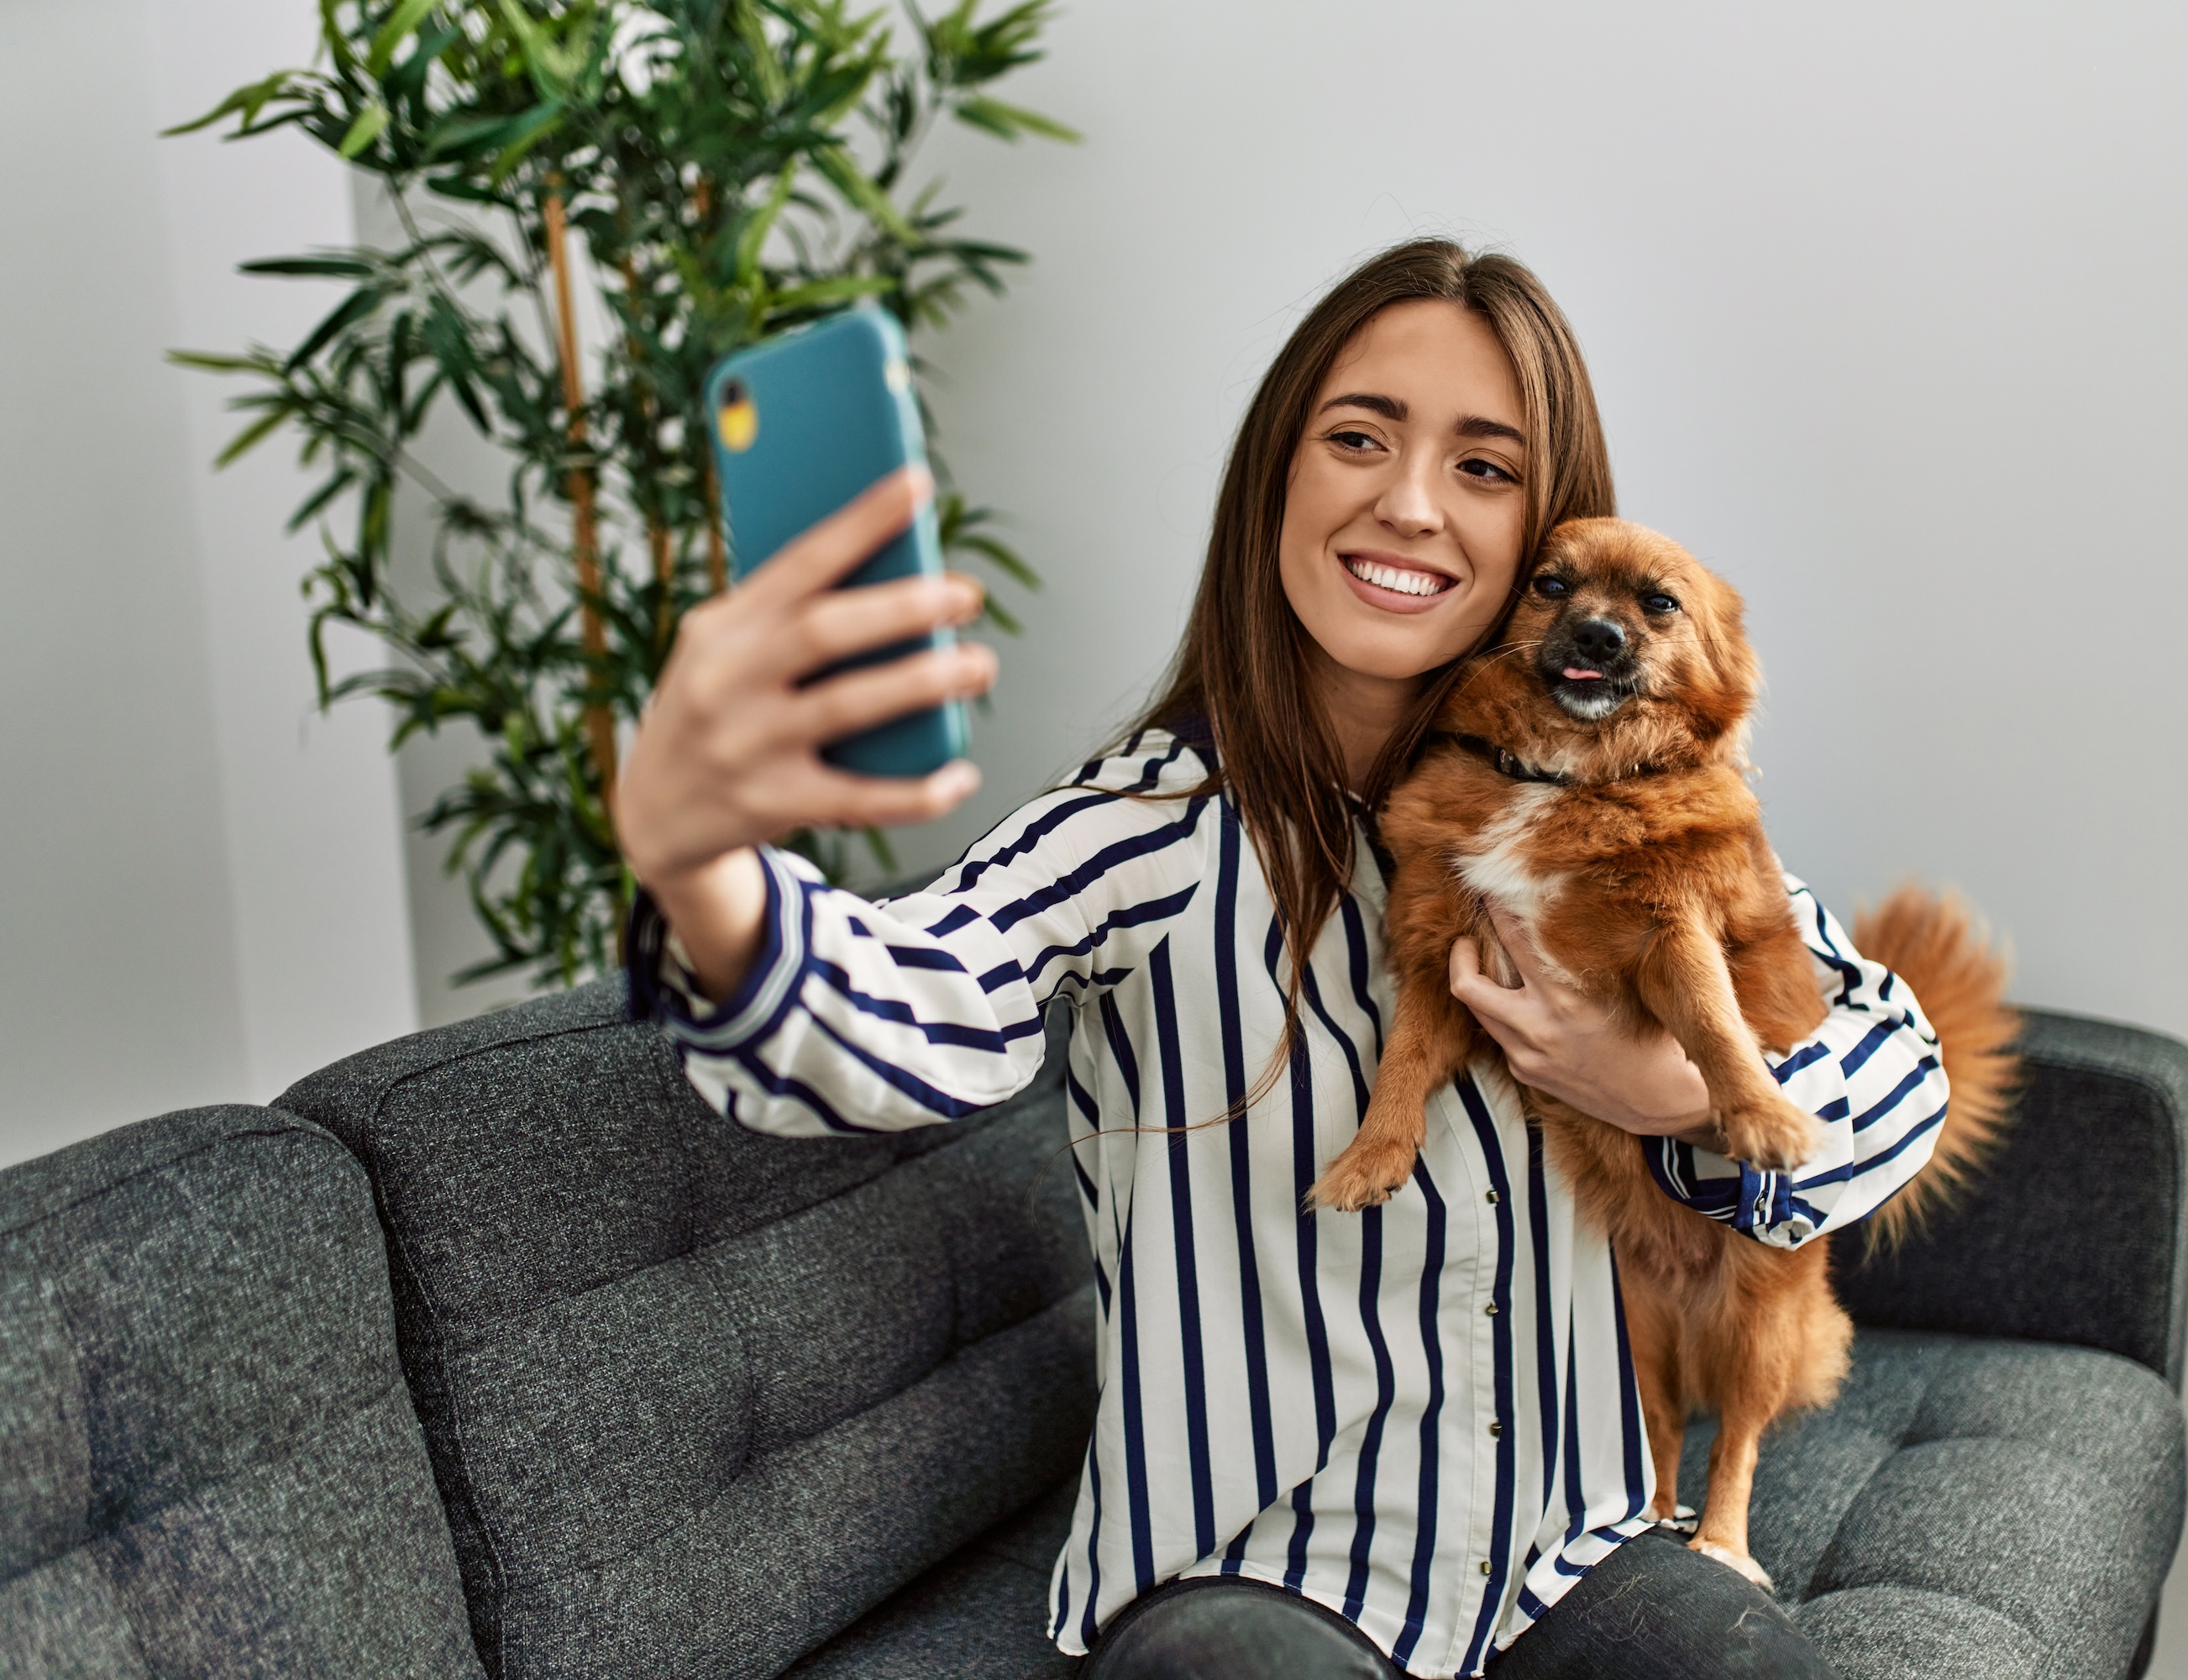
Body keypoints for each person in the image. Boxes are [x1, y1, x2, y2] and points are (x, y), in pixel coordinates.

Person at [615, 240, 1947, 1679]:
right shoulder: (1147, 825)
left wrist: (1670, 1094)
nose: (1412, 502)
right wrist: (700, 865)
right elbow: (909, 1001)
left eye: (1486, 469)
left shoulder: (1631, 808)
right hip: (1257, 1578)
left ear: (1542, 550)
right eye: (1359, 438)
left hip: (1577, 1559)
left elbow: (1895, 1070)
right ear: (1277, 479)